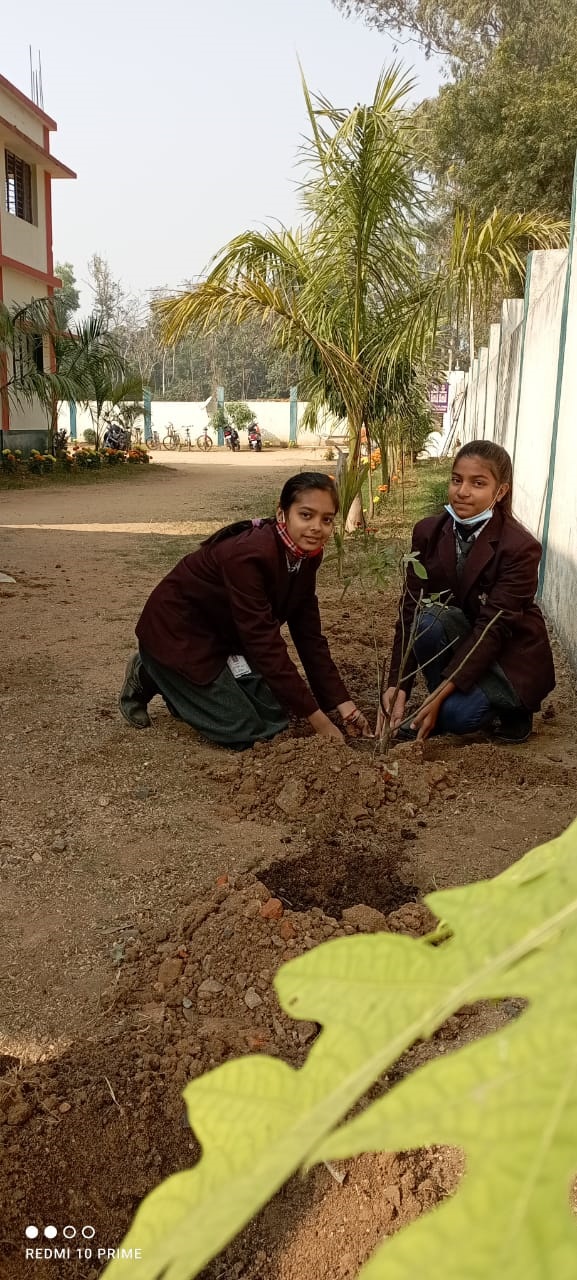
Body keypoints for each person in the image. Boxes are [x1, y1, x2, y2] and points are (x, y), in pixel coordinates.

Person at [120, 472, 372, 749]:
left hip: (226, 638)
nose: (316, 527)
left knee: (275, 714)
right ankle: (150, 669)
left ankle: (179, 683)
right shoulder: (248, 555)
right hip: (179, 636)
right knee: (248, 731)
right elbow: (263, 641)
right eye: (306, 515)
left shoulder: (308, 556)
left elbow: (309, 638)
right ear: (282, 514)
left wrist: (344, 707)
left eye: (326, 519)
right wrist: (319, 721)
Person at [380, 441, 555, 744]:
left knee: (458, 718)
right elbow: (410, 607)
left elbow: (494, 628)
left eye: (478, 483)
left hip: (506, 653)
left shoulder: (520, 548)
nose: (462, 492)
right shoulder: (428, 532)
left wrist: (435, 700)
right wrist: (399, 685)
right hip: (462, 636)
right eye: (457, 480)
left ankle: (510, 709)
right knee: (427, 621)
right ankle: (446, 695)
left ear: (500, 492)